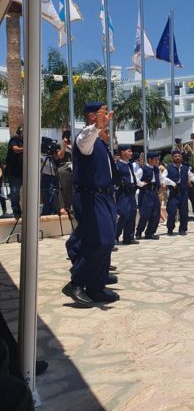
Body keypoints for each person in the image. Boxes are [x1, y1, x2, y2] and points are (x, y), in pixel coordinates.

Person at [62, 102, 119, 306]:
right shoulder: (84, 138)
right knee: (102, 241)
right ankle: (76, 283)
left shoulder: (100, 142)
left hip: (105, 196)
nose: (105, 117)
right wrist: (96, 127)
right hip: (91, 196)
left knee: (106, 242)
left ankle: (96, 288)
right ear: (91, 116)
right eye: (99, 114)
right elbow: (86, 137)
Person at [162, 149, 194, 236]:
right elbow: (163, 178)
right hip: (173, 192)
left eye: (179, 156)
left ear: (181, 157)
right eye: (175, 156)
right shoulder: (169, 168)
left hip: (183, 192)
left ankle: (182, 229)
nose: (177, 157)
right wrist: (171, 183)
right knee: (171, 211)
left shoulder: (186, 169)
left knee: (184, 212)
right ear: (172, 158)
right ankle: (170, 228)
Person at [135, 152, 163, 240]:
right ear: (150, 159)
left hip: (154, 193)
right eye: (155, 159)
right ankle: (139, 232)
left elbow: (161, 179)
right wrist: (142, 184)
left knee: (156, 214)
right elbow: (135, 179)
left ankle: (150, 233)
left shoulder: (157, 169)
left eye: (158, 159)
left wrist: (162, 185)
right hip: (145, 193)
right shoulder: (142, 169)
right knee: (145, 214)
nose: (157, 161)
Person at [115, 145, 139, 245]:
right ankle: (115, 236)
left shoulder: (130, 165)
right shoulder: (118, 165)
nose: (131, 153)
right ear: (122, 152)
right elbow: (115, 179)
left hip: (131, 192)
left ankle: (129, 237)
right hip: (123, 192)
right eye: (129, 151)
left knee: (132, 213)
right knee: (124, 214)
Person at [5, 125, 23, 218]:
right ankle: (16, 212)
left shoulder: (26, 142)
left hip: (24, 173)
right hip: (14, 173)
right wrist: (26, 148)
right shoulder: (14, 139)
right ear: (19, 133)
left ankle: (26, 211)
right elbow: (15, 149)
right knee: (15, 193)